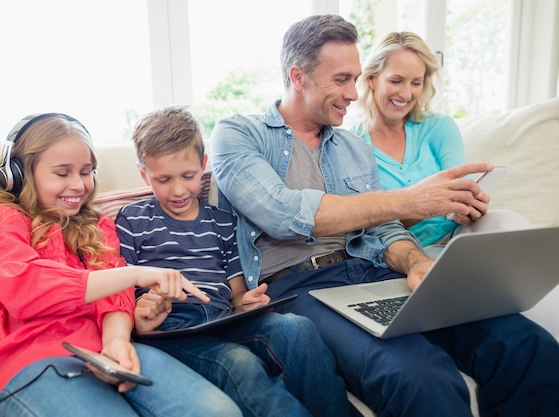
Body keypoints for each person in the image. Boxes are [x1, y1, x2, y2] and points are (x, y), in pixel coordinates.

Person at [210, 14, 559, 417]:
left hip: (373, 273)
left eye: (356, 79)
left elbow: (383, 228)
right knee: (421, 378)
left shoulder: (353, 149)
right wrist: (411, 199)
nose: (354, 93)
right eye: (341, 79)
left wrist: (417, 263)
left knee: (526, 346)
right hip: (302, 289)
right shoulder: (238, 134)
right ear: (298, 76)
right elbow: (279, 211)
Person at [0, 113, 242, 417]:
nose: (78, 185)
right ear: (19, 173)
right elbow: (25, 286)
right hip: (32, 361)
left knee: (217, 411)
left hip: (105, 351)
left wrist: (116, 342)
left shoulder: (97, 225)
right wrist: (134, 274)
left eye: (86, 172)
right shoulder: (2, 217)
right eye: (62, 173)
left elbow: (116, 298)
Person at [115, 106, 354, 417]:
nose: (177, 190)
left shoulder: (222, 222)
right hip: (171, 328)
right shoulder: (132, 219)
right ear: (143, 174)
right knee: (240, 364)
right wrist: (141, 310)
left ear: (203, 164)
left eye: (188, 176)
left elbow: (237, 294)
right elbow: (121, 289)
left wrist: (247, 301)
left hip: (222, 318)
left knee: (298, 329)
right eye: (163, 179)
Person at [349, 31, 531, 254]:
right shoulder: (353, 143)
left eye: (416, 83)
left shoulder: (439, 127)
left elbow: (459, 194)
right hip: (402, 251)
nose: (406, 94)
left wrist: (470, 206)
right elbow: (369, 226)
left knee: (510, 222)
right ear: (372, 79)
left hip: (458, 235)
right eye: (396, 81)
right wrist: (423, 205)